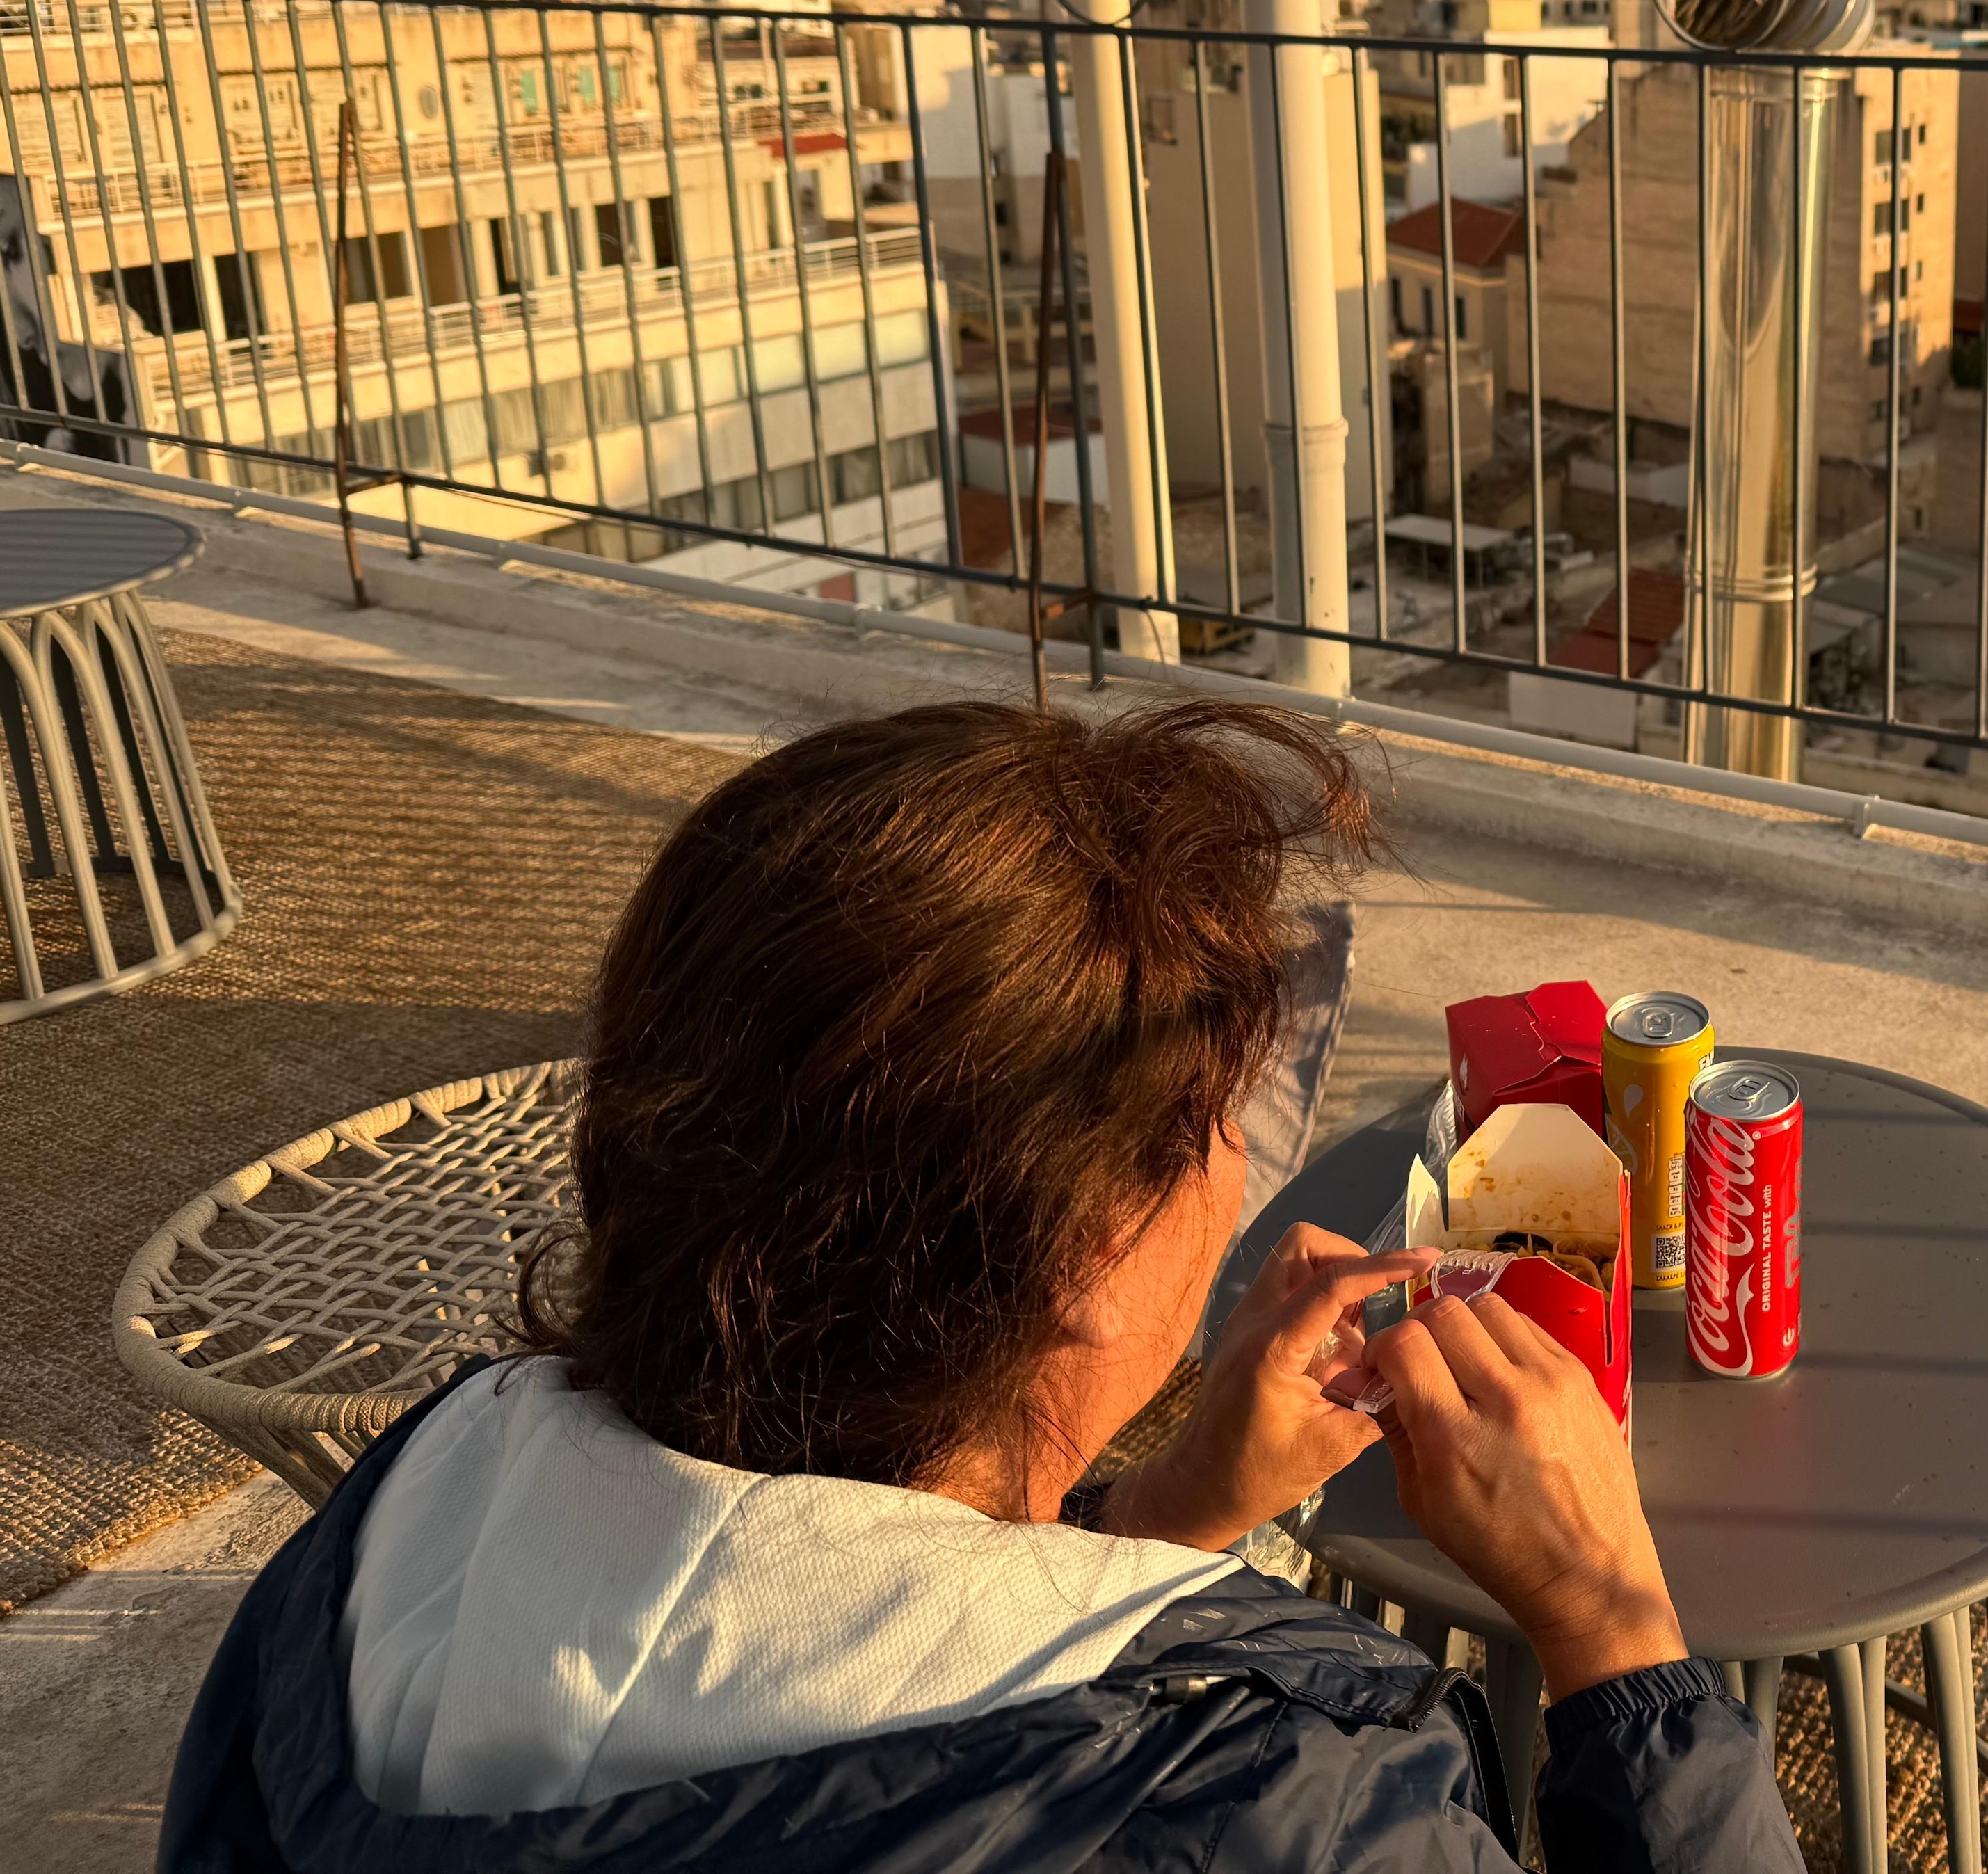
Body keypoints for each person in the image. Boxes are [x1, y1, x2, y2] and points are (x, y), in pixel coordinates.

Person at [162, 698, 1802, 1874]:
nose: (1244, 1170)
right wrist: (1611, 1629)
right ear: (1096, 1258)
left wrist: (1150, 1532)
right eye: (1223, 1128)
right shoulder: (1269, 1806)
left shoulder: (396, 1516)